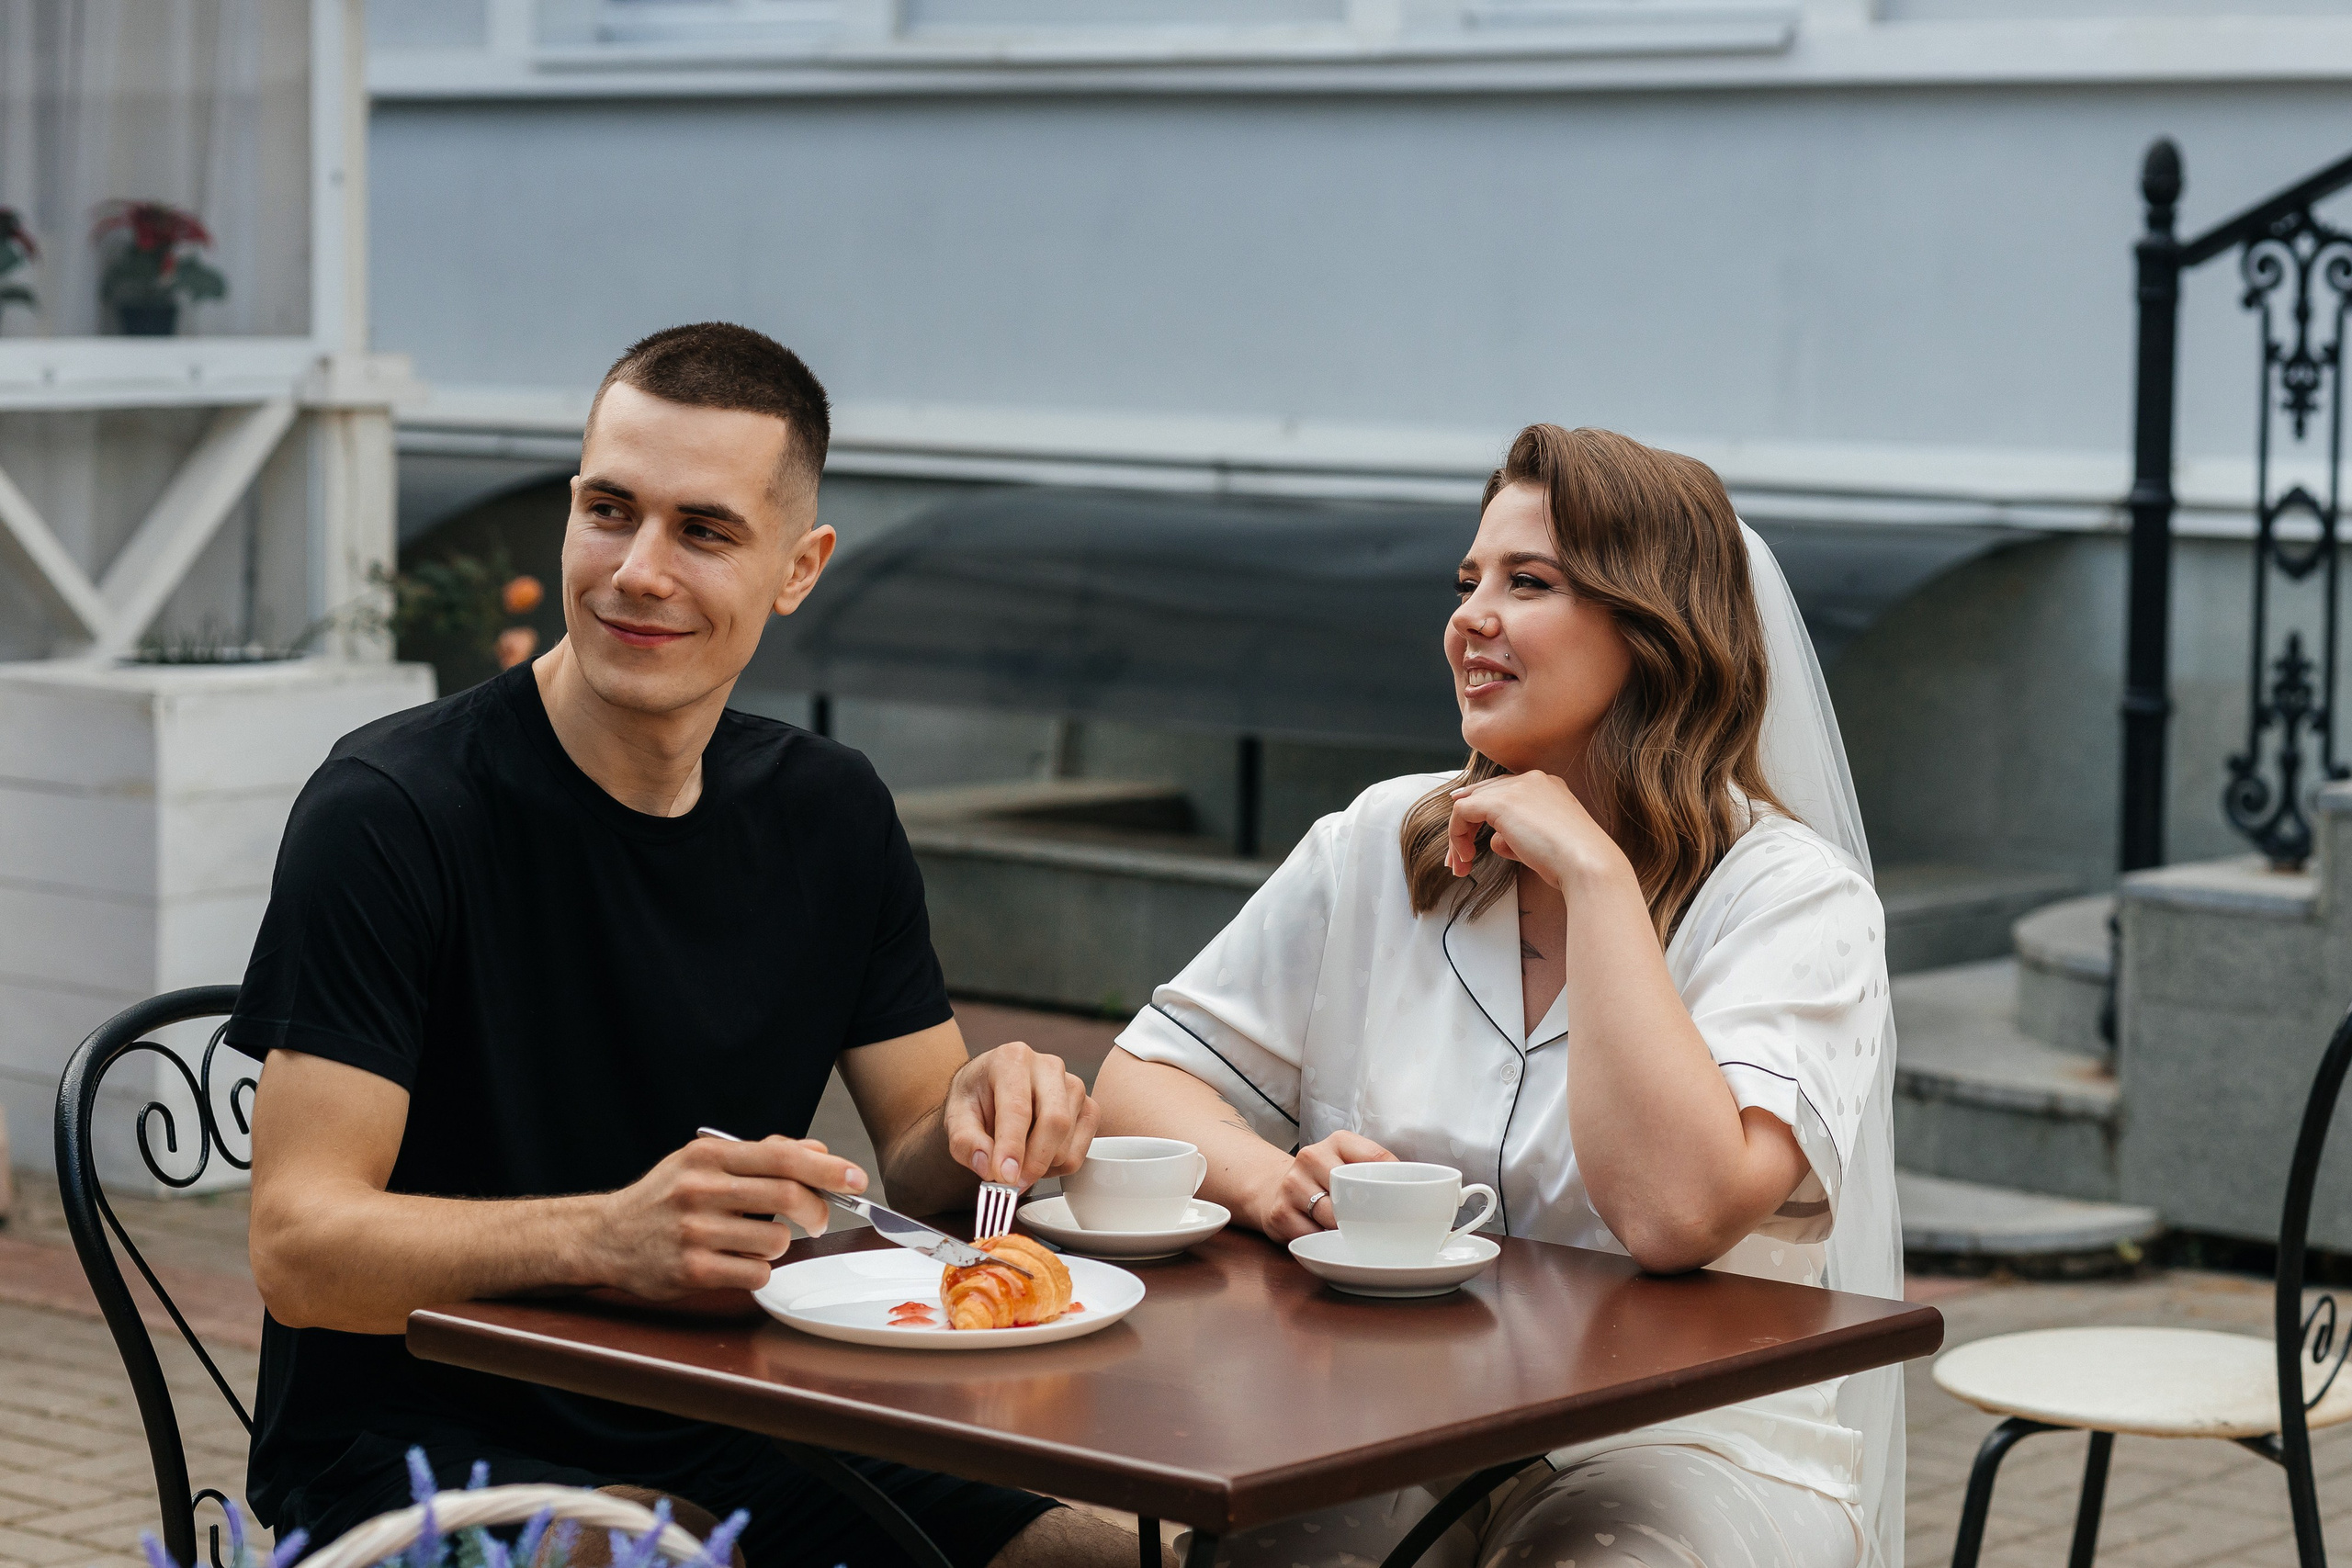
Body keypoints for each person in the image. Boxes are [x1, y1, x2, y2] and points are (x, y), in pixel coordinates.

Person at [233, 322, 1144, 1568]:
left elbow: (929, 1169)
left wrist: (994, 1104)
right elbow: (298, 1247)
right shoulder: (390, 809)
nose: (637, 570)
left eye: (703, 530)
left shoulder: (830, 809)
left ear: (799, 565)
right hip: (423, 1443)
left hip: (746, 1422)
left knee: (1112, 1556)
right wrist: (604, 1235)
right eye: (610, 511)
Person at [1094, 424, 1905, 1568]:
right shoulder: (1381, 839)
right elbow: (1141, 1077)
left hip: (1687, 1443)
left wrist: (1597, 876)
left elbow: (1677, 1217)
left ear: (1654, 630)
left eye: (1529, 583)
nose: (1471, 616)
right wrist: (1275, 1184)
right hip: (1380, 1417)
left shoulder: (1792, 901)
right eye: (1467, 580)